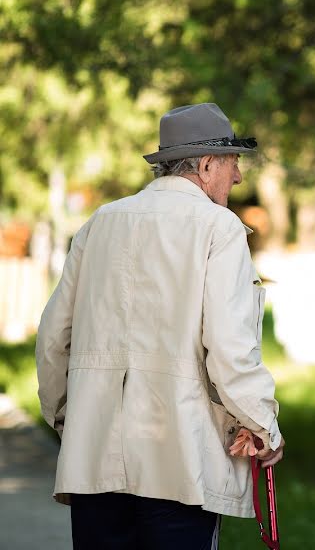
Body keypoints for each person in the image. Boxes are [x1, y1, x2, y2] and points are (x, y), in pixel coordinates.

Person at [35, 103, 285, 549]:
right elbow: (229, 350)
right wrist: (263, 424)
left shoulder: (100, 222)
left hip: (94, 461)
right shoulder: (219, 228)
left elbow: (54, 337)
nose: (239, 178)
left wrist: (69, 419)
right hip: (181, 464)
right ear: (207, 164)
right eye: (234, 164)